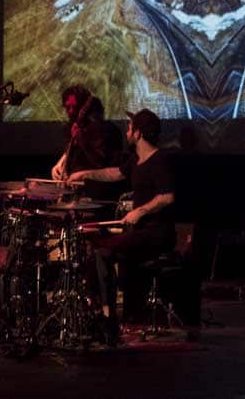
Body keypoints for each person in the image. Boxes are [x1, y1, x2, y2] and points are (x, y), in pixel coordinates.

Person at [68, 108, 176, 342]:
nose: (126, 131)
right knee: (94, 247)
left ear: (138, 133)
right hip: (141, 232)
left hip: (157, 233)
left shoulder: (160, 160)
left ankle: (108, 318)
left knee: (103, 252)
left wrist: (141, 210)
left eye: (130, 127)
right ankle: (99, 311)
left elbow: (167, 197)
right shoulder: (136, 160)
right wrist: (85, 174)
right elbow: (114, 173)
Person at [50, 85, 125, 201]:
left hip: (94, 194)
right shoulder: (71, 127)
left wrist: (82, 141)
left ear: (84, 107)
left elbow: (101, 163)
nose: (70, 112)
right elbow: (70, 153)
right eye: (67, 107)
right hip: (72, 193)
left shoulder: (104, 130)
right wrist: (60, 165)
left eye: (74, 107)